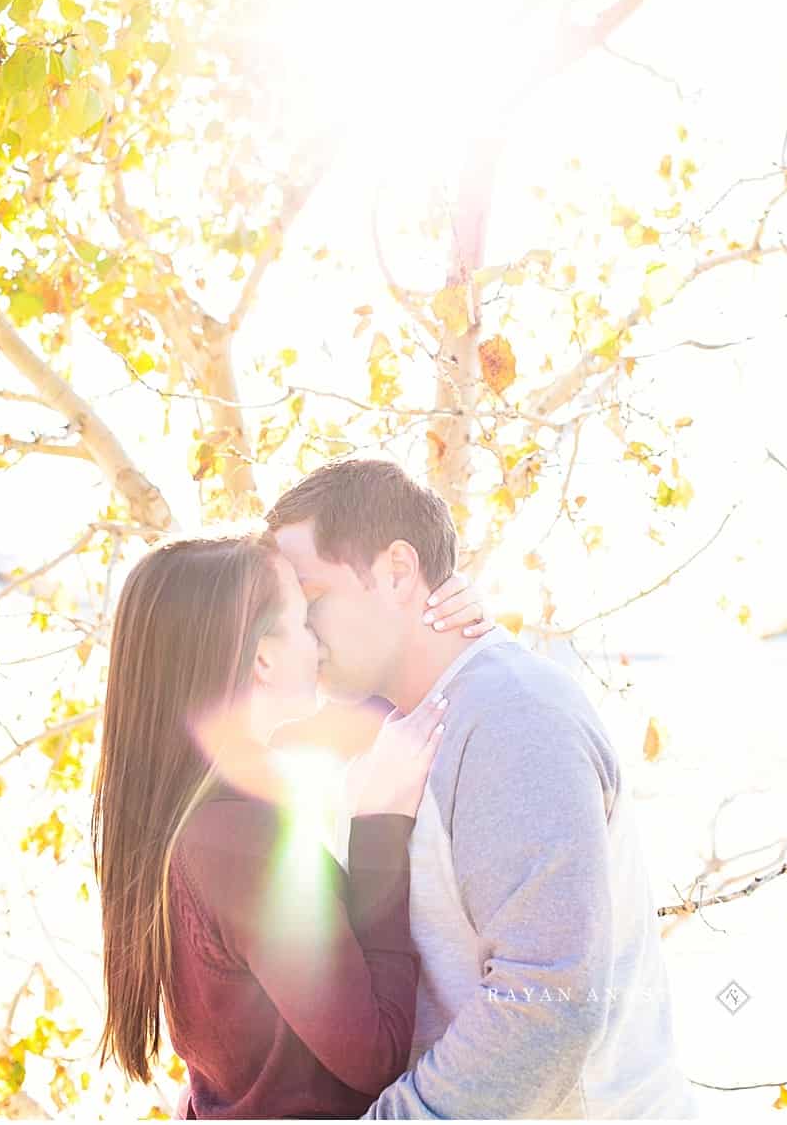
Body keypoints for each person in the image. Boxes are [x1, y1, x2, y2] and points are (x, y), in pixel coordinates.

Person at [266, 457, 701, 1119]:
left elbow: (547, 1002)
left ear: (397, 572)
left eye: (309, 595)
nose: (294, 626)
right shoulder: (402, 724)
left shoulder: (514, 716)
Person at [90, 531, 493, 1119]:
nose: (321, 641)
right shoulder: (243, 843)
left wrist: (436, 626)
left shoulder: (187, 817)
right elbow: (376, 1053)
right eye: (306, 620)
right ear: (263, 658)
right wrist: (380, 825)